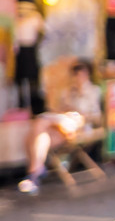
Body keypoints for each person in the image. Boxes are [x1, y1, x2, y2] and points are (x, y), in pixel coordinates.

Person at [18, 59, 102, 195]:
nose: (78, 76)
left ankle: (34, 173)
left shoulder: (94, 91)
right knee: (41, 135)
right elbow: (60, 109)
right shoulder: (67, 92)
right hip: (64, 124)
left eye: (81, 72)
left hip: (80, 125)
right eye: (76, 73)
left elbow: (96, 116)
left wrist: (79, 113)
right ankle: (35, 172)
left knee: (40, 122)